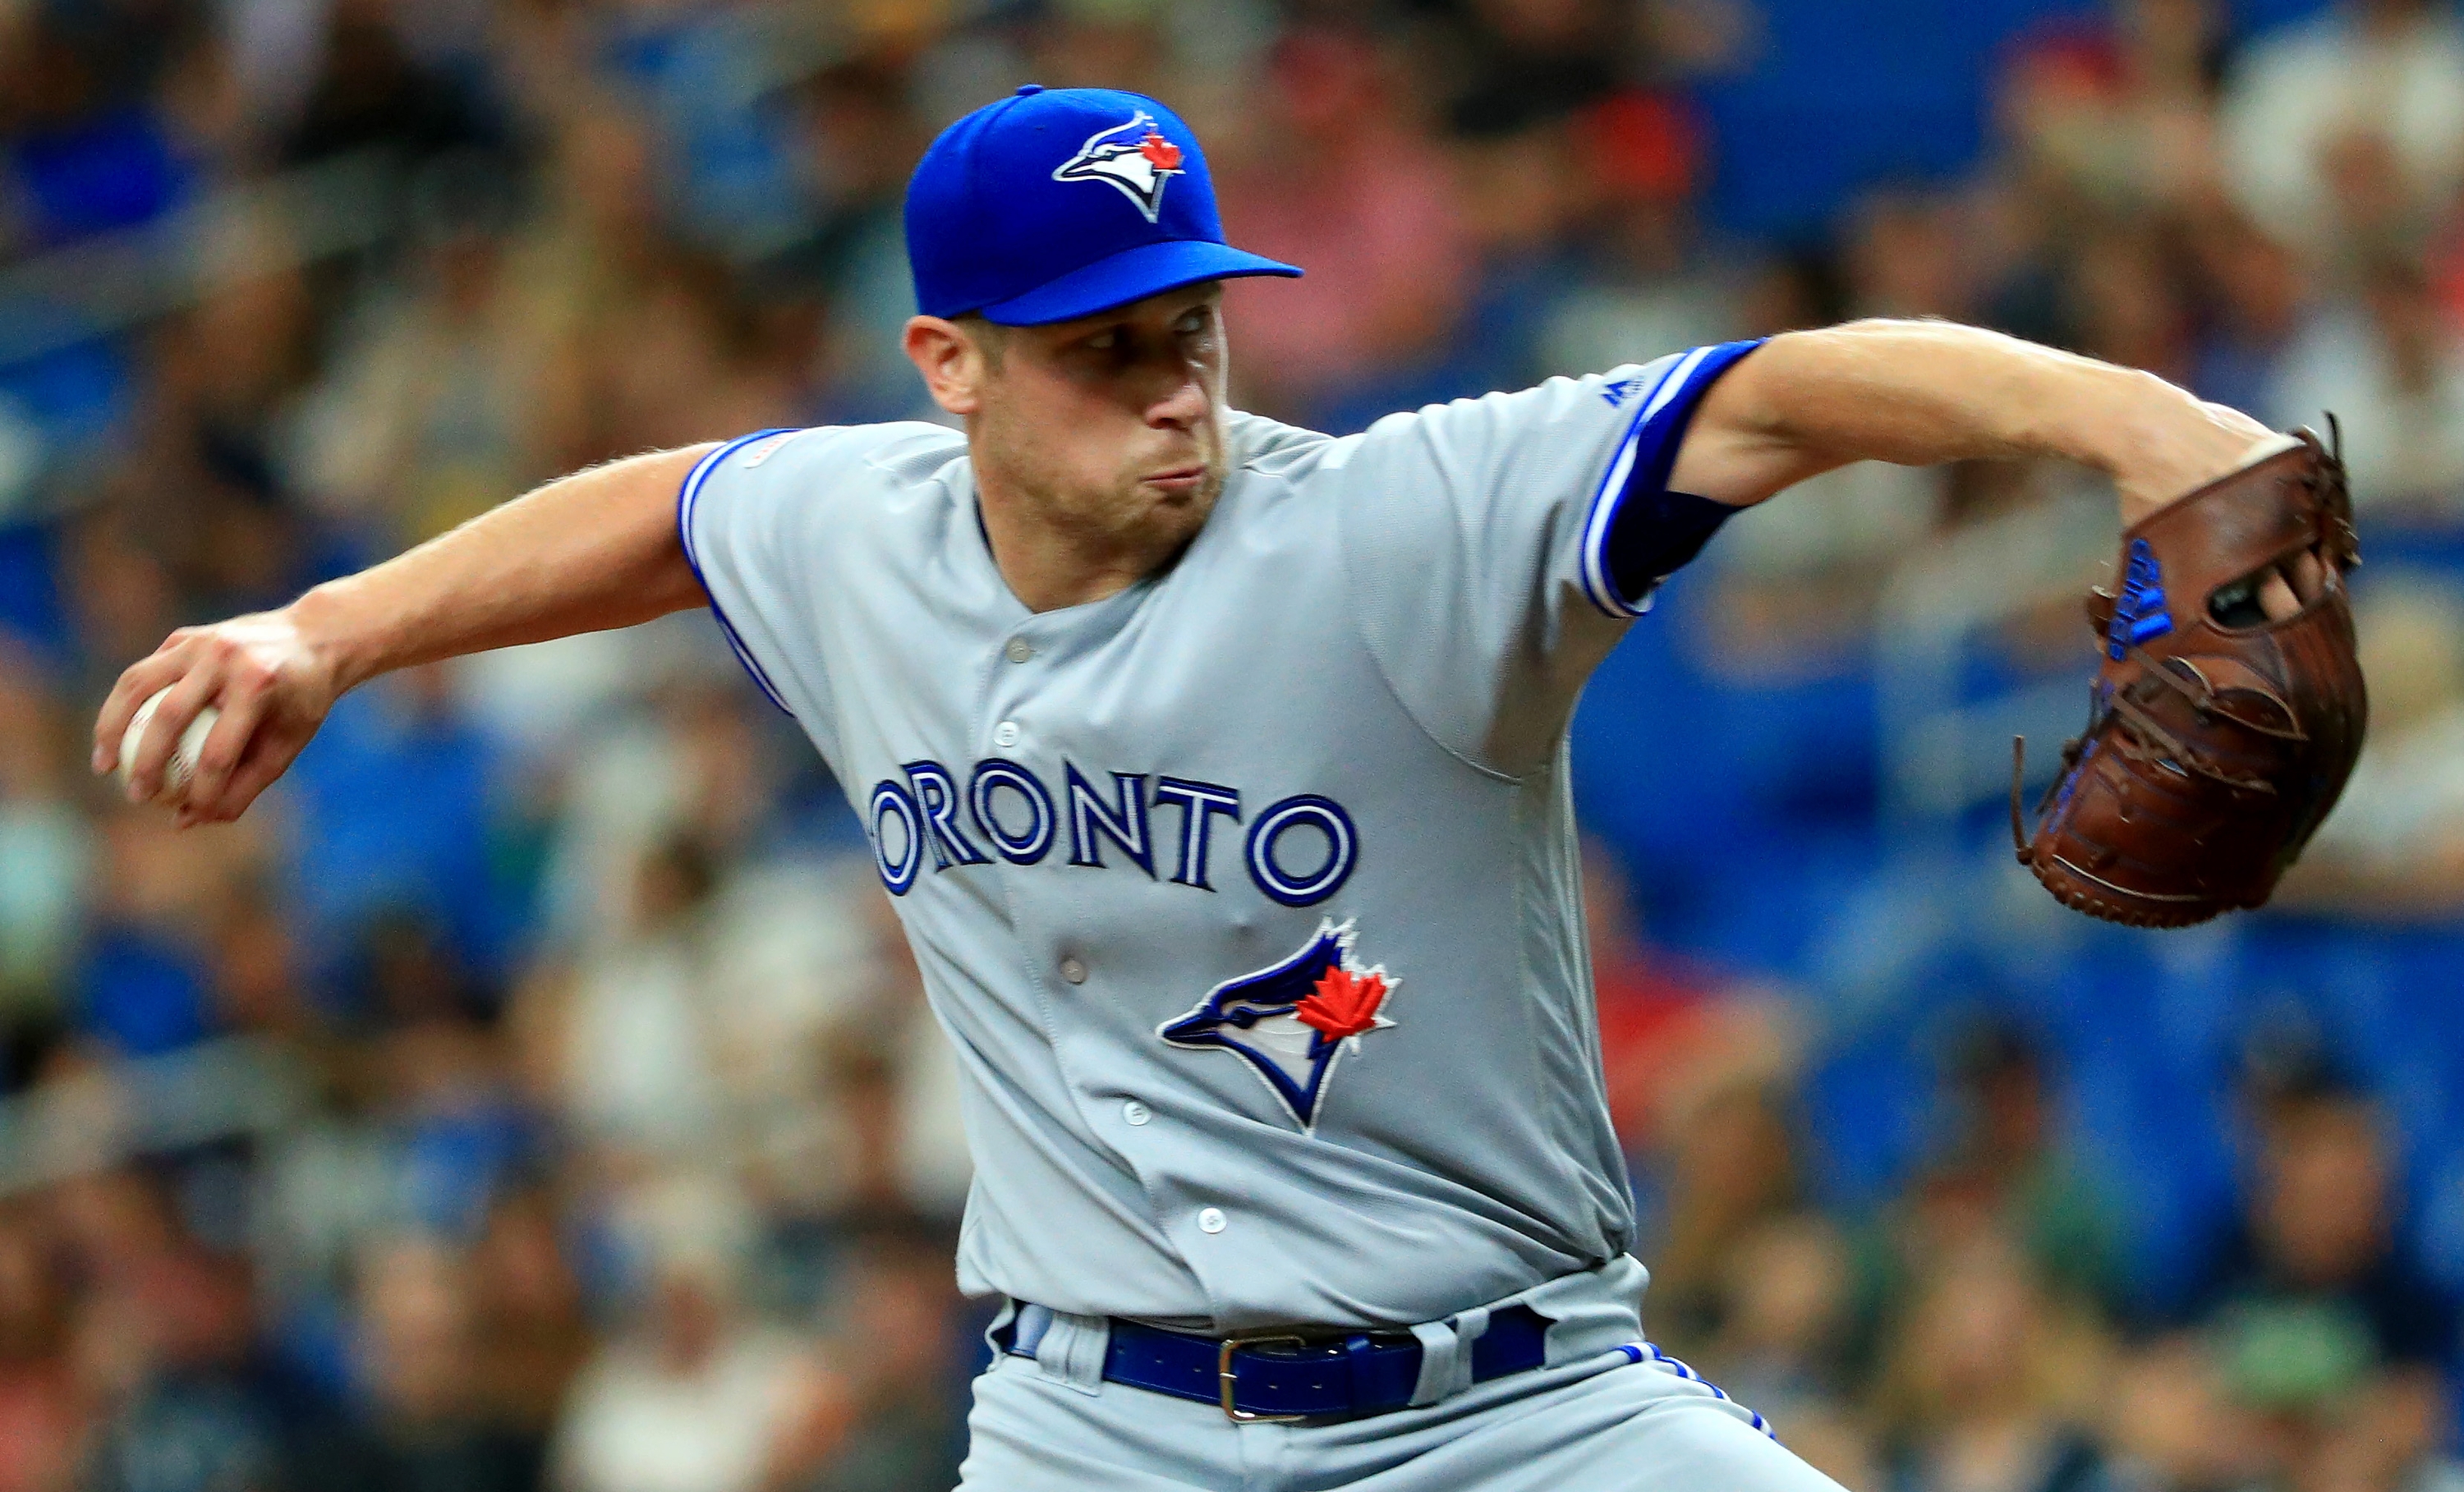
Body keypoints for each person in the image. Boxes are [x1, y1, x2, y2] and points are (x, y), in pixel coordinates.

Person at [94, 85, 2315, 1491]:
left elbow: (1788, 394)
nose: (1173, 390)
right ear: (946, 368)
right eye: (1102, 349)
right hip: (1096, 1425)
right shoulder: (858, 530)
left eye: (1195, 326)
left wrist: (2153, 436)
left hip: (1514, 1413)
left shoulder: (1393, 529)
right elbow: (674, 503)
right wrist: (328, 628)